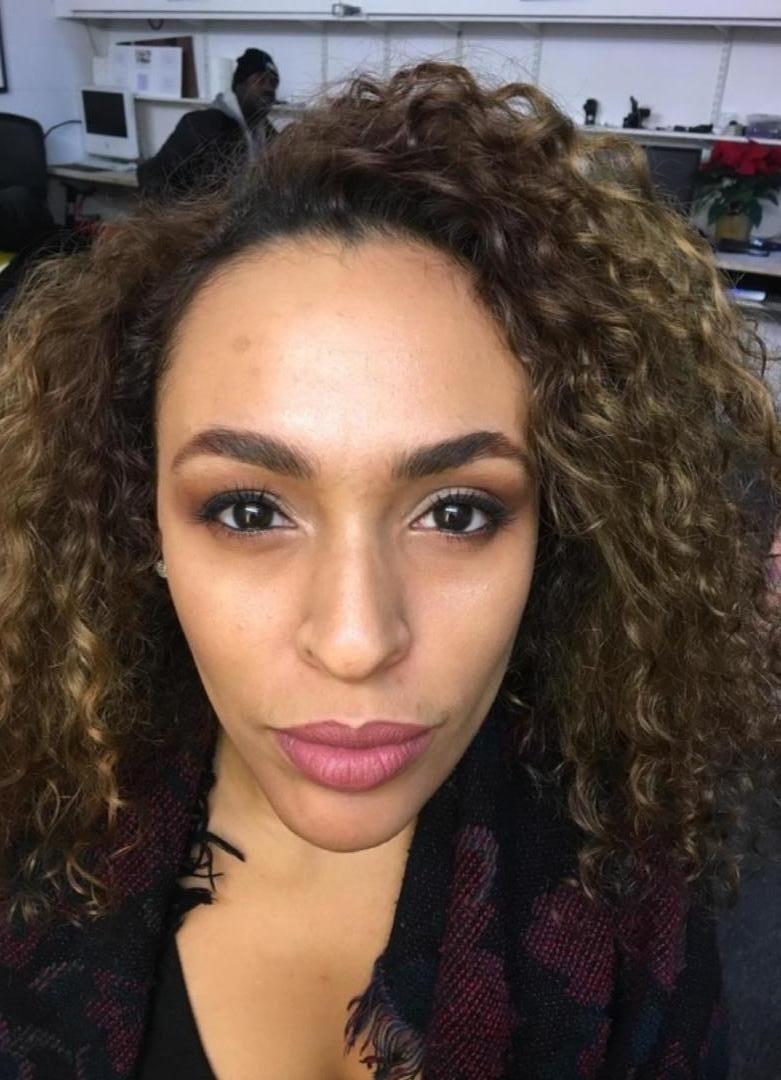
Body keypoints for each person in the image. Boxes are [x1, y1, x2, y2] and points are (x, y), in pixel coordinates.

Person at [0, 60, 779, 1080]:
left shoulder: (637, 906)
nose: (357, 641)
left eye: (456, 513)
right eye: (248, 510)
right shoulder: (28, 826)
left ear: (557, 528)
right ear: (137, 514)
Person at [136, 47, 280, 198]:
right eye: (260, 80)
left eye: (273, 83)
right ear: (240, 85)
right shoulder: (205, 124)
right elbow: (154, 178)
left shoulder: (263, 129)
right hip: (200, 210)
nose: (269, 88)